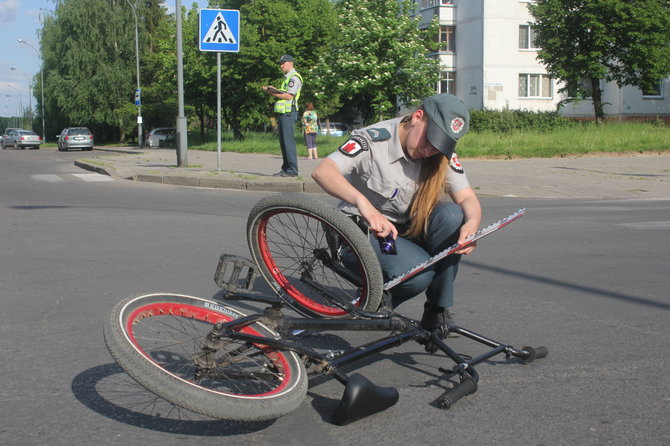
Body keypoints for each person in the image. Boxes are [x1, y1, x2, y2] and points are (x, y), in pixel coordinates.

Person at [311, 93, 482, 346]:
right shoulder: (373, 140)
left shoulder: (438, 152)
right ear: (417, 117)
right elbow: (322, 171)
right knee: (419, 275)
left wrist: (472, 225)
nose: (430, 150)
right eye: (430, 139)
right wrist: (365, 206)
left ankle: (435, 311)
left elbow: (467, 197)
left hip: (403, 229)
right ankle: (381, 298)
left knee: (454, 217)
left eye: (439, 145)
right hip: (362, 232)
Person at [263, 54, 303, 177]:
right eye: (280, 63)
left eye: (283, 63)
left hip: (288, 113)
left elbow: (288, 96)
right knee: (283, 142)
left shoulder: (294, 78)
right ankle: (286, 169)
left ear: (290, 63)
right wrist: (273, 90)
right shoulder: (287, 78)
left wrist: (273, 93)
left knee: (288, 142)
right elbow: (284, 93)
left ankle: (292, 170)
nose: (281, 65)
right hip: (284, 114)